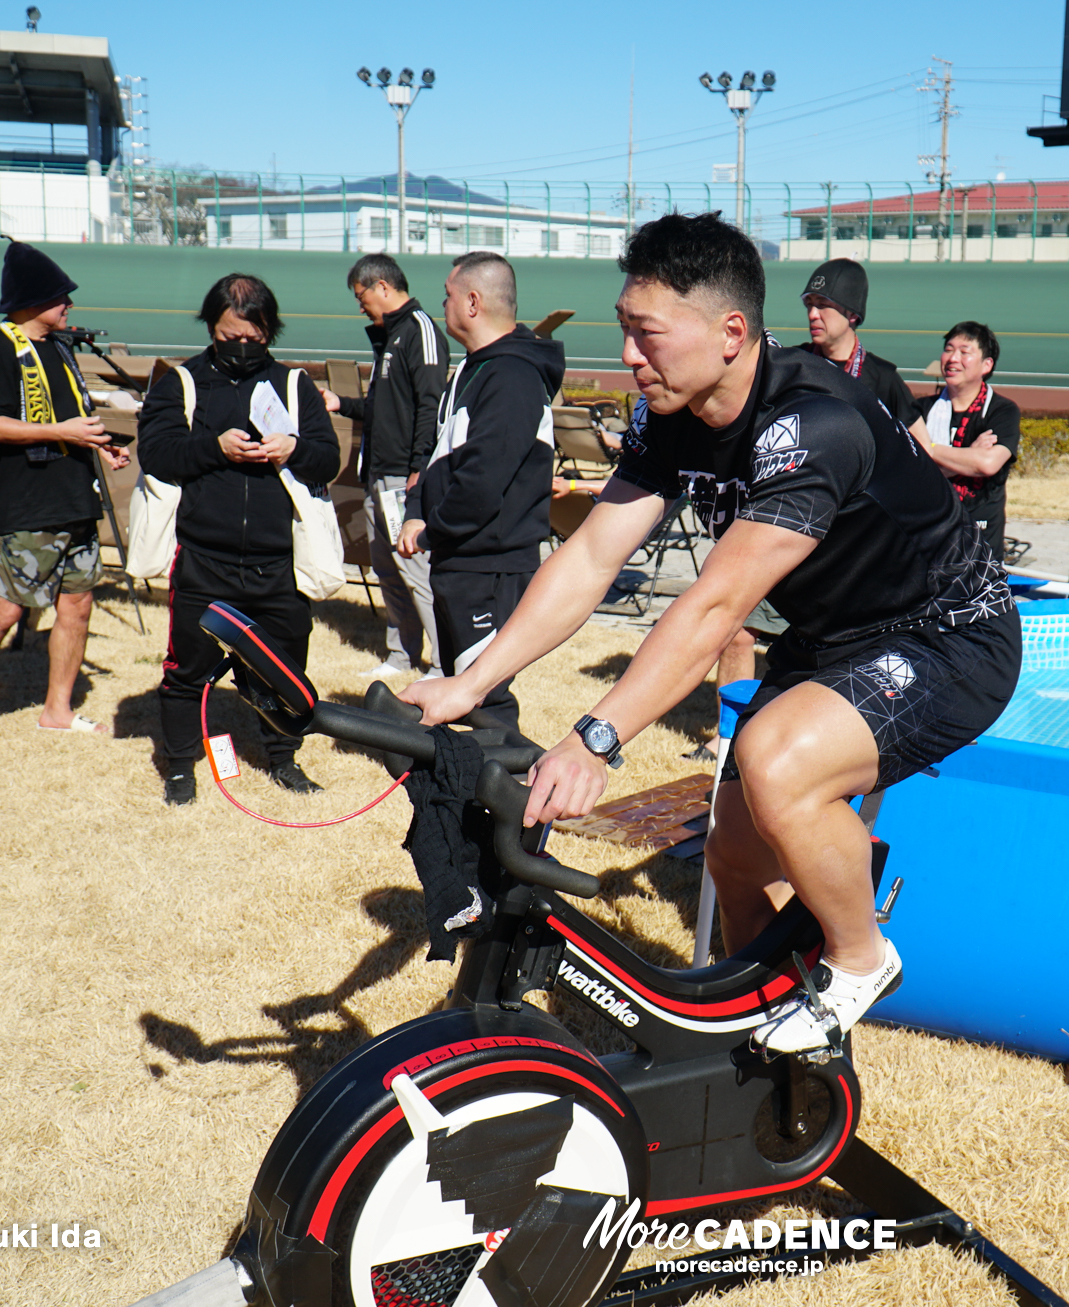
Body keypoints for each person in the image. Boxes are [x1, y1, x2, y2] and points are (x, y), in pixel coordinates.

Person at [403, 213, 1019, 1054]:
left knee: (777, 763)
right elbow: (589, 555)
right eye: (624, 331)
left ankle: (859, 956)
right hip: (837, 632)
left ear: (733, 332)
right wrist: (468, 683)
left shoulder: (813, 422)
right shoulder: (673, 413)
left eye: (647, 334)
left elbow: (712, 609)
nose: (628, 355)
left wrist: (596, 737)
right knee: (732, 852)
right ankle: (755, 1022)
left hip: (950, 635)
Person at [137, 274, 340, 805]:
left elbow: (329, 460)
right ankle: (181, 766)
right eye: (232, 339)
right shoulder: (181, 383)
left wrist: (291, 447)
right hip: (206, 558)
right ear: (212, 327)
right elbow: (158, 456)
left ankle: (283, 759)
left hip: (279, 563)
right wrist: (214, 447)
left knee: (285, 672)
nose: (245, 349)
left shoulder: (294, 386)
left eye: (257, 339)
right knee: (188, 669)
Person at [0, 242, 129, 741]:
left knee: (77, 604)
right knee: (5, 609)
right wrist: (64, 433)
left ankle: (57, 709)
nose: (69, 304)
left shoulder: (60, 348)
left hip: (74, 497)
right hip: (26, 504)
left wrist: (101, 447)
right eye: (60, 296)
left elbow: (72, 420)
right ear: (32, 299)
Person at [396, 252, 560, 733]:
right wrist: (414, 511)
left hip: (489, 562)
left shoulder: (512, 376)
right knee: (459, 688)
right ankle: (460, 789)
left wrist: (433, 530)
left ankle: (511, 800)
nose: (441, 306)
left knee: (484, 698)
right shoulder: (472, 370)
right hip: (460, 556)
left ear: (472, 301)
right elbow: (437, 456)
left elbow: (484, 480)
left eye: (447, 296)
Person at [319, 254, 449, 679]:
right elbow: (384, 407)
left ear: (382, 286)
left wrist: (419, 469)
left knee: (415, 568)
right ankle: (401, 654)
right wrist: (344, 405)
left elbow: (430, 407)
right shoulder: (388, 336)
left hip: (402, 476)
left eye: (361, 297)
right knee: (387, 568)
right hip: (376, 472)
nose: (361, 307)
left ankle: (444, 662)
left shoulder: (421, 332)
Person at [795, 258, 928, 443]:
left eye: (822, 305)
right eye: (809, 304)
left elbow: (922, 447)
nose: (812, 314)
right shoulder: (794, 363)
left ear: (852, 314)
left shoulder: (883, 378)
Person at [919, 322, 1021, 561]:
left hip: (981, 543)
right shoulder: (921, 410)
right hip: (928, 536)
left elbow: (986, 464)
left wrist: (928, 450)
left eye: (964, 352)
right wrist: (968, 455)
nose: (953, 358)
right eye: (948, 349)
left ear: (987, 364)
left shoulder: (1001, 411)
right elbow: (911, 471)